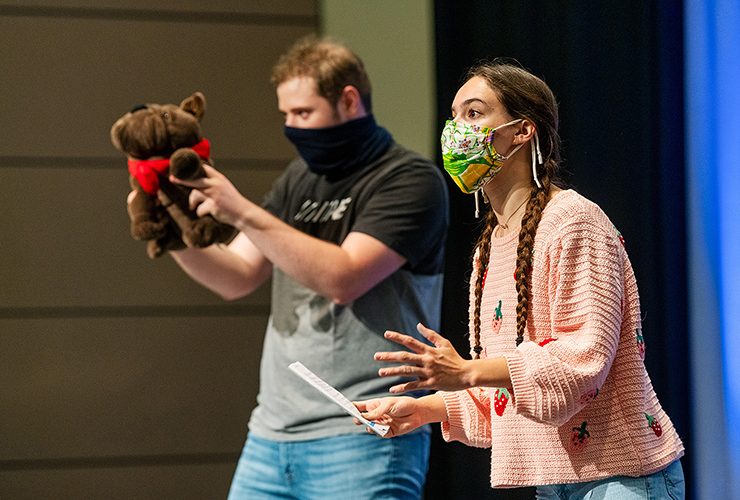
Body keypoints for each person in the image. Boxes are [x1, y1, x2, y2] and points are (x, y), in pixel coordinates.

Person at [354, 60, 685, 499]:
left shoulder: (573, 221)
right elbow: (507, 387)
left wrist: (467, 371)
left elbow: (582, 360)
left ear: (522, 130)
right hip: (553, 480)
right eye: (453, 116)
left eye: (474, 113)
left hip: (621, 476)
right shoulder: (491, 245)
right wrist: (423, 410)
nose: (456, 130)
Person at [155, 37, 449, 498]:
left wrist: (242, 211)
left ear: (348, 100)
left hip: (363, 431)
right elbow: (237, 275)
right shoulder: (299, 178)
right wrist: (168, 228)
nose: (291, 127)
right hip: (272, 434)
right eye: (286, 115)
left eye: (303, 113)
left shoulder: (408, 179)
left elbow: (343, 278)